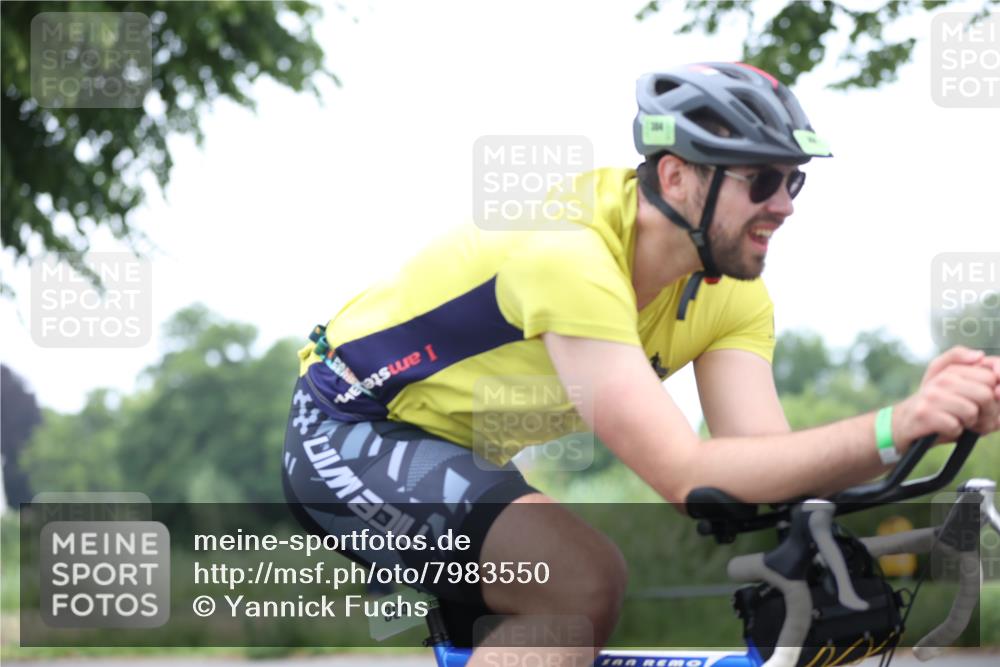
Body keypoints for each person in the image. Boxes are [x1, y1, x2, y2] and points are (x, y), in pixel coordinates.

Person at [281, 62, 1000, 665]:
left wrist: (923, 429)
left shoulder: (733, 295)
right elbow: (686, 476)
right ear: (677, 175)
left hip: (460, 451)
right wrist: (895, 421)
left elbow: (760, 462)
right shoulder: (568, 253)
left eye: (795, 181)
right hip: (347, 427)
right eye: (761, 180)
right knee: (578, 582)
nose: (784, 205)